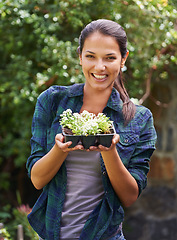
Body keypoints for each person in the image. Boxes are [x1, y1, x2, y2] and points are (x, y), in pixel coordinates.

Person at [26, 19, 157, 240]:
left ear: (123, 59)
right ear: (80, 56)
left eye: (109, 58)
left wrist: (109, 150)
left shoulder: (139, 118)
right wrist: (60, 149)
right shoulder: (52, 101)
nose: (99, 67)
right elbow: (37, 179)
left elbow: (129, 196)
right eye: (90, 56)